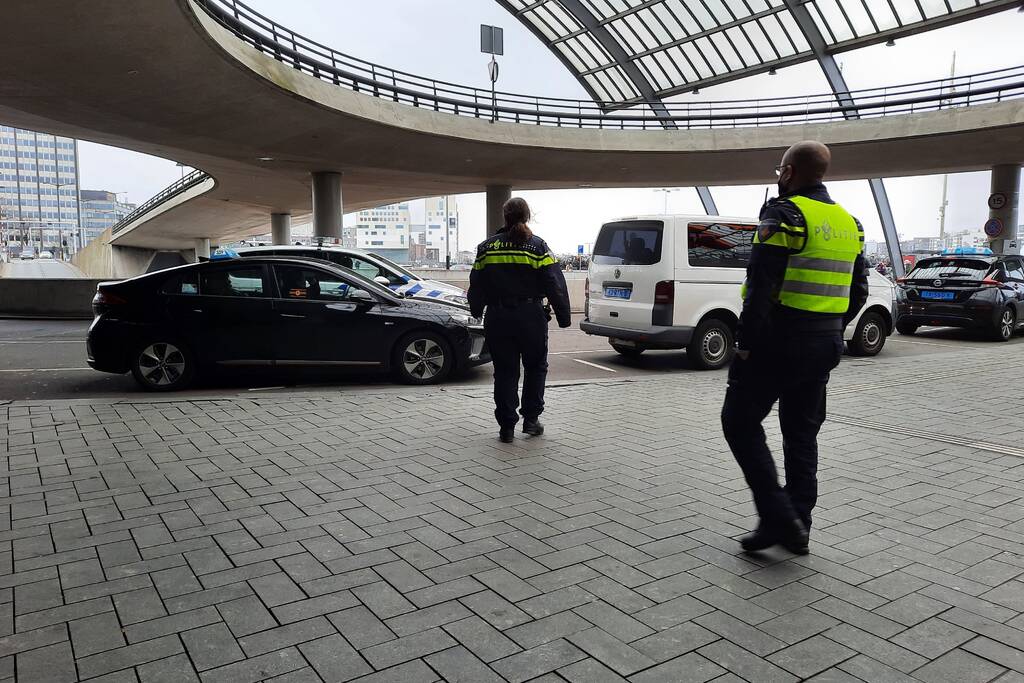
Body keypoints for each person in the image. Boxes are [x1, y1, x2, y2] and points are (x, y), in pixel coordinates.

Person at [721, 140, 869, 555]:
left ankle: (778, 516)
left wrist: (746, 343)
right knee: (801, 435)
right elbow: (858, 290)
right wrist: (832, 326)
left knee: (738, 421)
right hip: (825, 342)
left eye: (779, 170)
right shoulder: (850, 223)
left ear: (788, 172)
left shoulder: (784, 214)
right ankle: (799, 525)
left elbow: (761, 288)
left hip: (779, 340)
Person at [468, 198, 571, 443]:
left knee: (505, 372)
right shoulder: (538, 247)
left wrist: (475, 309)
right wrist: (564, 316)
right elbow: (555, 283)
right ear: (527, 217)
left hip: (498, 317)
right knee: (535, 368)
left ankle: (506, 427)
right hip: (530, 318)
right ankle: (531, 421)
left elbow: (476, 284)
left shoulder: (486, 248)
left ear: (505, 216)